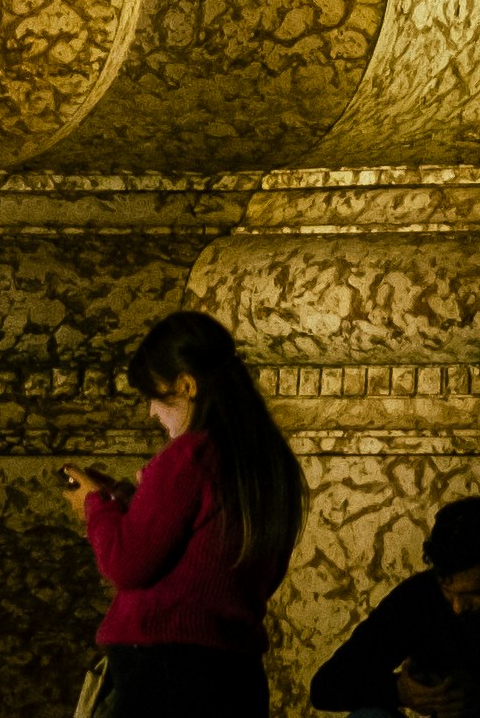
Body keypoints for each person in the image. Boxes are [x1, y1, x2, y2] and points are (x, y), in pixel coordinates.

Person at [65, 306, 303, 715]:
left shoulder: (189, 456)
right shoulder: (271, 463)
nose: (151, 413)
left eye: (155, 397)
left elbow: (127, 563)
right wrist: (133, 503)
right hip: (236, 676)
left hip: (164, 674)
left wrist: (96, 507)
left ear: (187, 385)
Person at [302, 495, 480, 715]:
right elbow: (325, 687)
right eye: (447, 590)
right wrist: (400, 692)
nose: (457, 606)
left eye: (476, 593)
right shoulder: (418, 598)